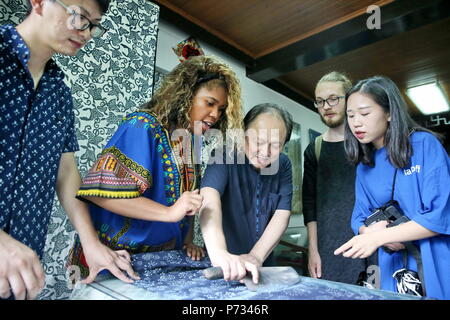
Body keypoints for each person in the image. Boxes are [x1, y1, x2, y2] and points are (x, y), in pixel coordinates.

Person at [0, 0, 141, 301]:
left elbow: (66, 172)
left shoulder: (58, 92)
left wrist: (90, 243)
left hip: (19, 272)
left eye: (94, 24)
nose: (87, 32)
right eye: (79, 16)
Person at [67, 55, 245, 280]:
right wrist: (169, 213)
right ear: (186, 95)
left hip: (160, 262)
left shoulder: (189, 142)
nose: (215, 115)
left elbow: (186, 201)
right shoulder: (142, 126)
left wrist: (188, 241)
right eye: (209, 103)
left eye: (221, 109)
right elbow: (101, 194)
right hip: (111, 260)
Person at [334, 76, 450, 299]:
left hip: (433, 258)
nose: (356, 122)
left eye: (365, 113)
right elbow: (358, 218)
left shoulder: (424, 146)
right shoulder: (364, 166)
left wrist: (380, 237)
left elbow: (439, 215)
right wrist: (370, 232)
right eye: (350, 115)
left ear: (389, 113)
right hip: (392, 264)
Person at [199, 103, 293, 283]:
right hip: (224, 267)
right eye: (258, 142)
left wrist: (256, 257)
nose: (265, 152)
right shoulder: (223, 155)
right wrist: (219, 253)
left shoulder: (283, 164)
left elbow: (282, 214)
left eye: (275, 145)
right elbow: (209, 198)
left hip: (263, 266)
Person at [302, 72, 365, 284]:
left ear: (349, 99)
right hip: (329, 250)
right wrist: (313, 250)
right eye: (320, 101)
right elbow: (309, 205)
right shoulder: (315, 149)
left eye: (333, 98)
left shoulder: (367, 143)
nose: (326, 106)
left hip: (370, 244)